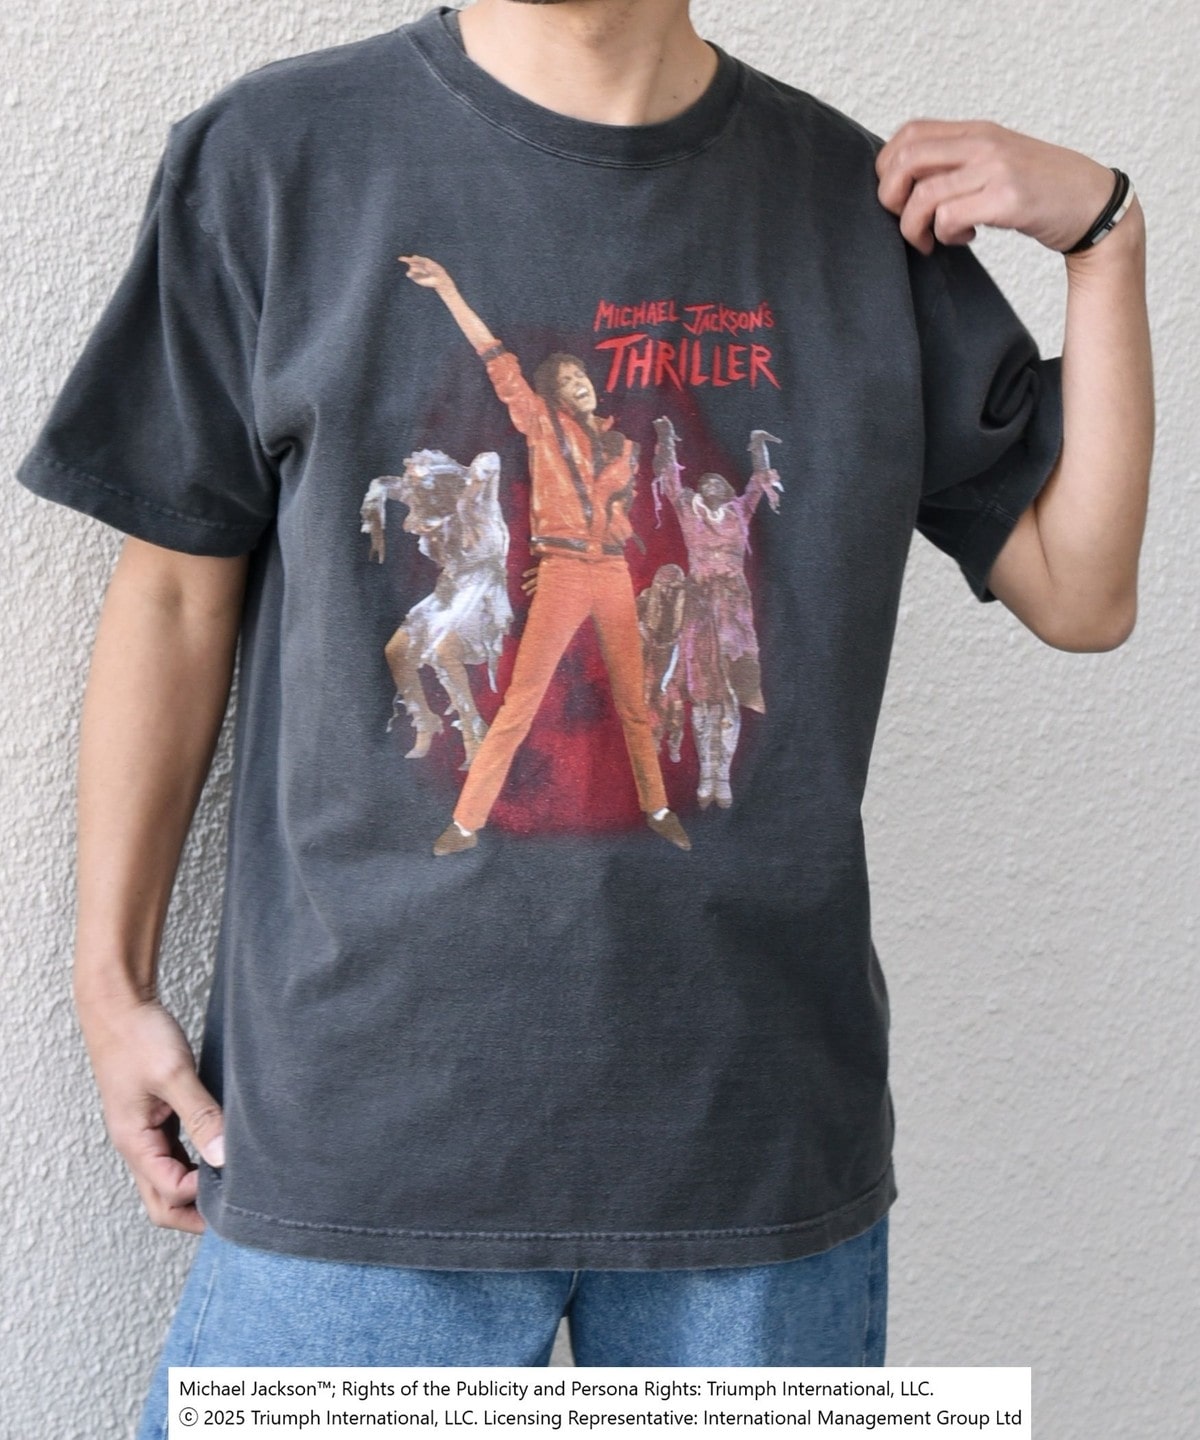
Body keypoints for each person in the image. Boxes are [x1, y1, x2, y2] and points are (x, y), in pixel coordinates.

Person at [13, 0, 1151, 1423]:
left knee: (631, 704)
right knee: (518, 703)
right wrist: (109, 987)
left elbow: (1083, 589)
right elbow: (176, 596)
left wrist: (1108, 239)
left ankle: (659, 804)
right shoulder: (277, 162)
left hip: (752, 1152)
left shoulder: (852, 210)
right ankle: (480, 806)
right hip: (364, 1137)